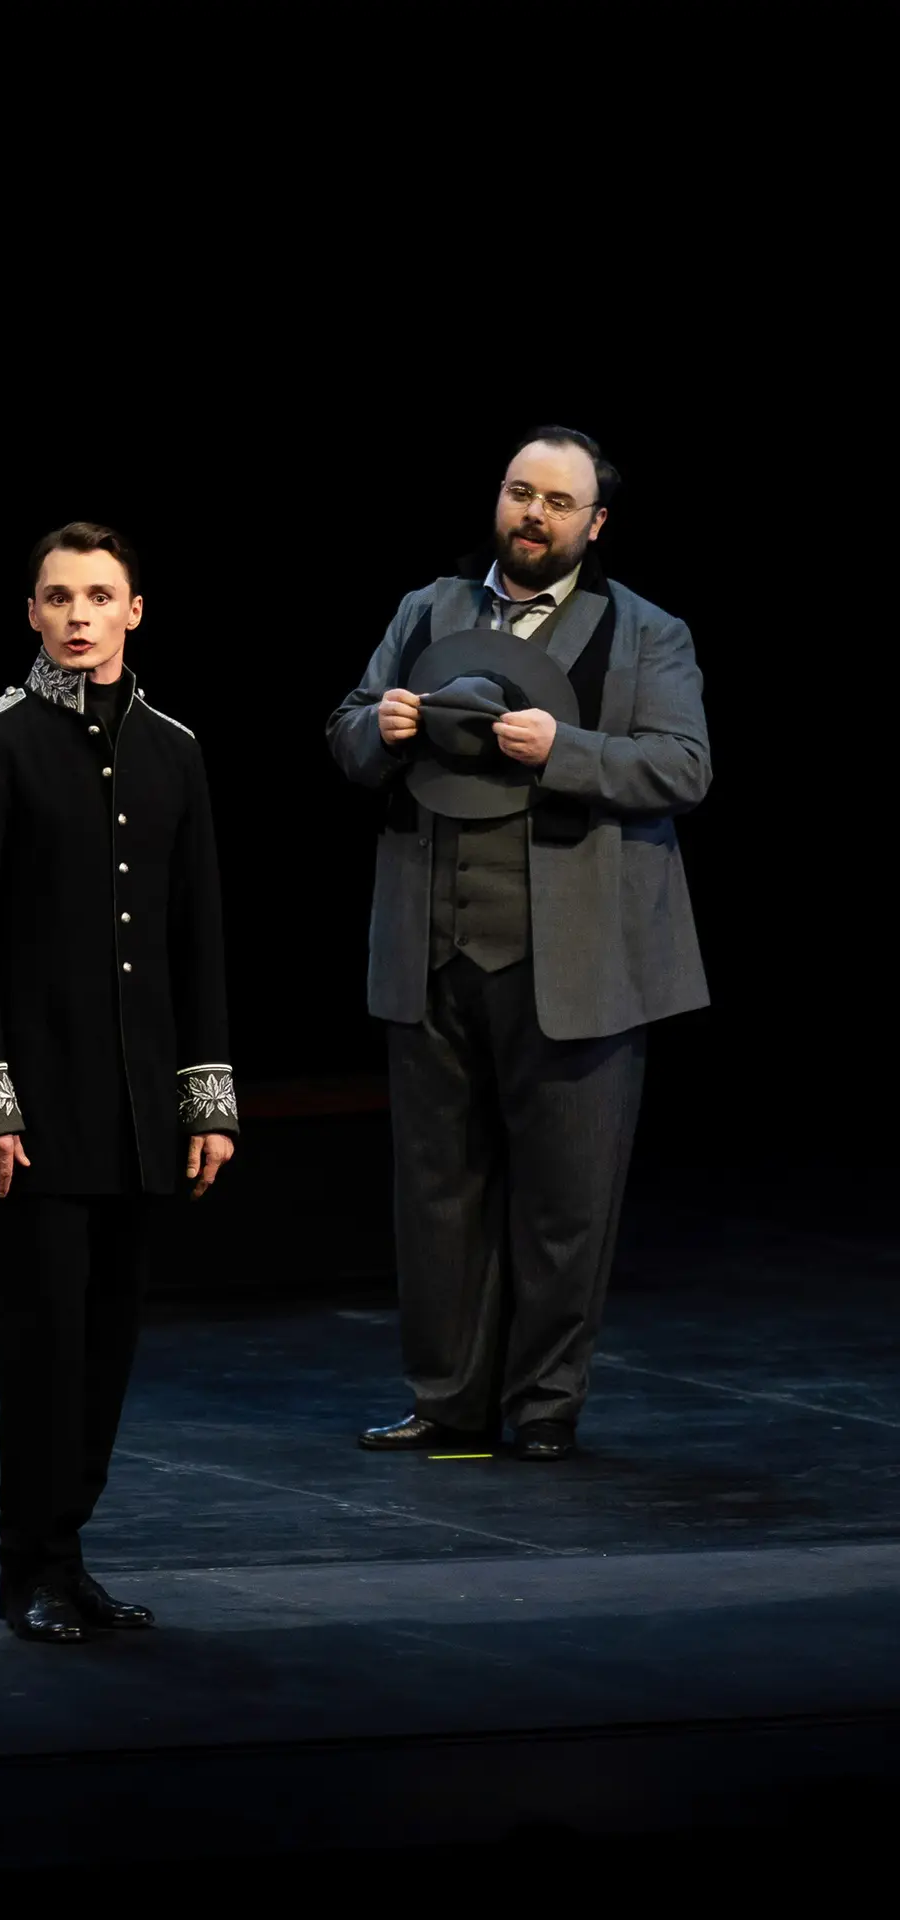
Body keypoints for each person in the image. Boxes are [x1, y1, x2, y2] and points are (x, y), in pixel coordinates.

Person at [327, 427, 710, 1461]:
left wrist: (564, 750)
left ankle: (542, 1406)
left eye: (556, 502)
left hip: (576, 956)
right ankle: (447, 1402)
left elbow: (682, 767)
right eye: (518, 492)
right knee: (436, 1190)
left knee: (565, 1199)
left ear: (595, 523)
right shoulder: (428, 610)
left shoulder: (645, 633)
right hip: (431, 943)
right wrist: (379, 729)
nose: (531, 515)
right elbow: (346, 728)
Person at [0, 520, 237, 1641]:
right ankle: (31, 1569)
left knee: (105, 1351)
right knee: (43, 1350)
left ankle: (71, 1553)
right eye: (58, 597)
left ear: (133, 612)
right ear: (31, 613)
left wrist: (206, 1099)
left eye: (98, 596)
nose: (77, 616)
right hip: (37, 1111)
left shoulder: (173, 750)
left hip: (137, 1108)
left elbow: (196, 937)